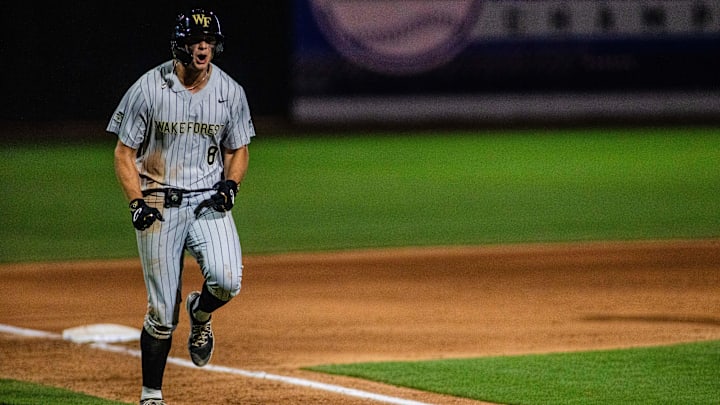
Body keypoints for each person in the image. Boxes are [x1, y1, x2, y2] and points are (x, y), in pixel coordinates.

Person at [107, 8, 255, 405]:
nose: (202, 46)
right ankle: (151, 395)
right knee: (161, 313)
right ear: (180, 44)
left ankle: (201, 313)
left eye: (208, 40)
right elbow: (124, 153)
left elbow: (238, 148)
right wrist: (136, 203)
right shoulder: (149, 88)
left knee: (227, 280)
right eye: (195, 40)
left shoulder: (229, 91)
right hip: (159, 202)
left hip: (208, 201)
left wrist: (231, 184)